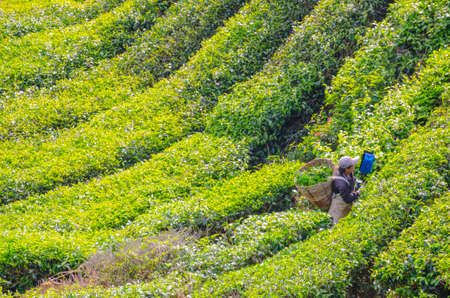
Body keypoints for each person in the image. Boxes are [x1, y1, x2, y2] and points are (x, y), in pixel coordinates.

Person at [328, 156, 361, 225]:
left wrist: (356, 182)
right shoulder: (341, 183)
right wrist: (357, 193)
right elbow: (347, 199)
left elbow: (351, 180)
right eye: (352, 165)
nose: (354, 166)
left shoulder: (348, 173)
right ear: (347, 169)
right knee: (334, 225)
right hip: (338, 206)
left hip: (346, 205)